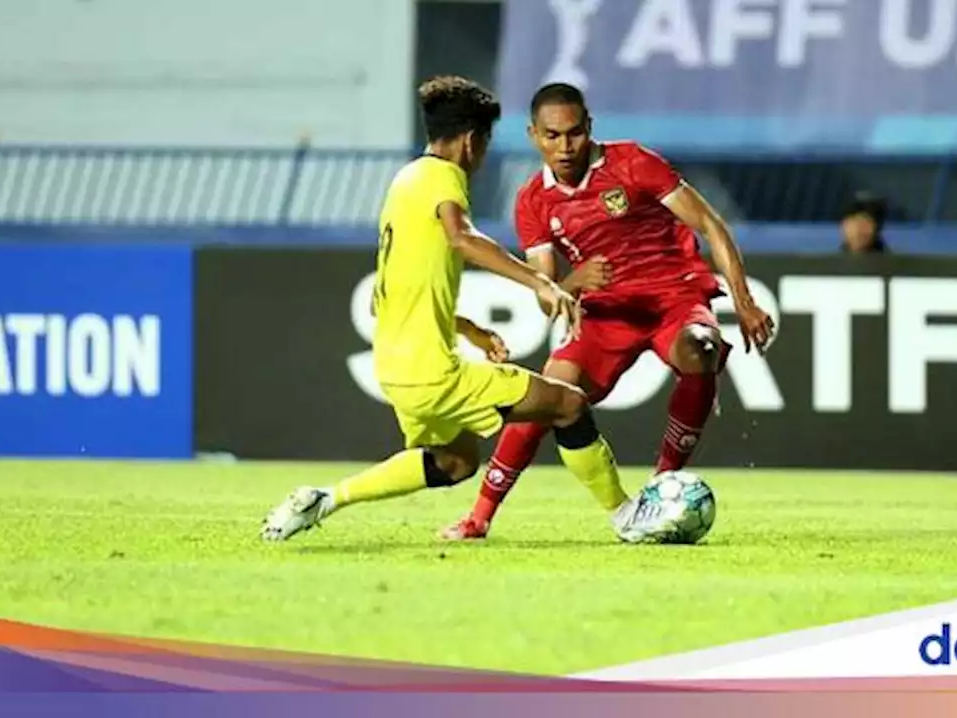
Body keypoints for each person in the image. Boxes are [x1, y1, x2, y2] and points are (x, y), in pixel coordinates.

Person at [260, 76, 673, 544]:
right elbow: (463, 236)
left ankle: (324, 499)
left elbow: (389, 295)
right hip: (433, 373)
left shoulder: (405, 181)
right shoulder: (442, 178)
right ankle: (627, 516)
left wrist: (469, 328)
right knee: (568, 404)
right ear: (473, 140)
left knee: (455, 461)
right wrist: (539, 280)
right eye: (487, 141)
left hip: (396, 367)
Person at [440, 83, 775, 541]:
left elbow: (710, 225)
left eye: (574, 134)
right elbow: (546, 293)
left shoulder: (634, 163)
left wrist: (743, 300)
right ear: (534, 135)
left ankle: (662, 486)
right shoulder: (533, 201)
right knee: (546, 397)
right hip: (605, 313)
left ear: (589, 128)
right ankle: (479, 516)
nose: (565, 146)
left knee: (701, 348)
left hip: (673, 297)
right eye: (553, 136)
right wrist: (573, 283)